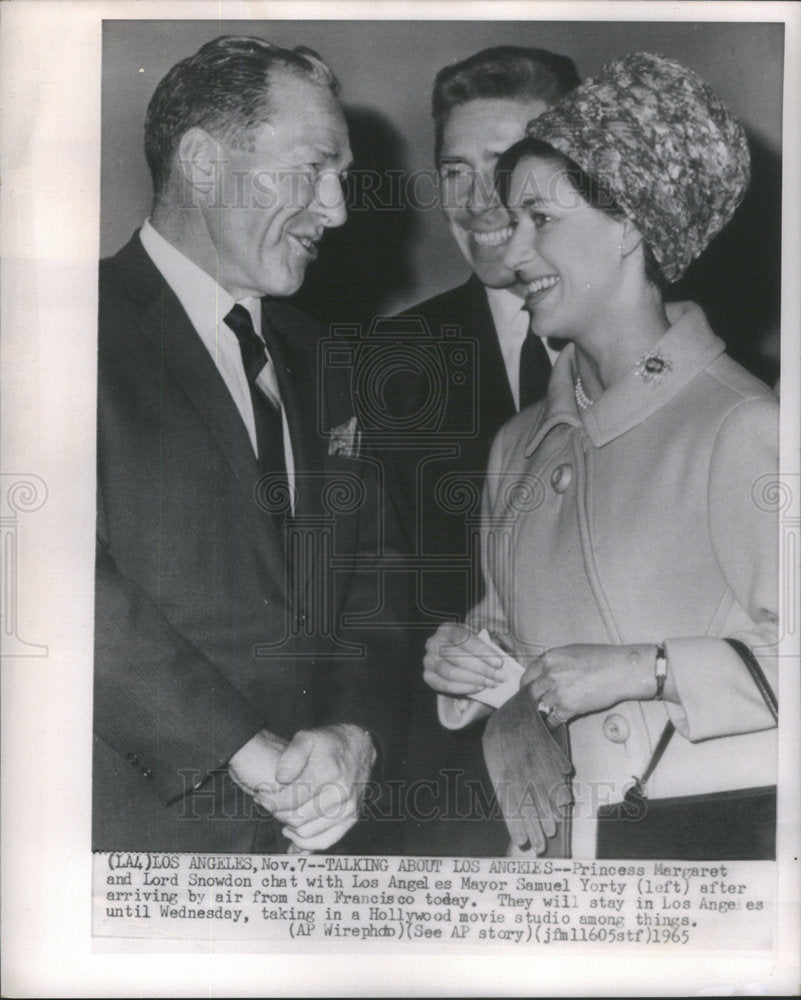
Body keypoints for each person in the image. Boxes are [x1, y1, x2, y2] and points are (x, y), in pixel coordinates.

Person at [423, 53, 779, 859]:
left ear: (629, 223)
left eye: (539, 219)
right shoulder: (517, 445)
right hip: (552, 863)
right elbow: (528, 643)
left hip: (702, 856)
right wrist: (476, 662)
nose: (511, 256)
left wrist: (646, 669)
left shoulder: (742, 427)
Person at [94, 35, 408, 855]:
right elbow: (49, 578)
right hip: (131, 850)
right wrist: (241, 748)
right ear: (202, 162)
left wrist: (352, 733)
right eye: (311, 169)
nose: (336, 208)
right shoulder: (62, 327)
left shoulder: (326, 360)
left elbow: (376, 580)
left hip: (317, 853)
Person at [395, 46, 580, 856]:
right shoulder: (384, 363)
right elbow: (371, 583)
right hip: (452, 793)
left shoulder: (690, 364)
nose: (475, 205)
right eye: (454, 172)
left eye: (502, 168)